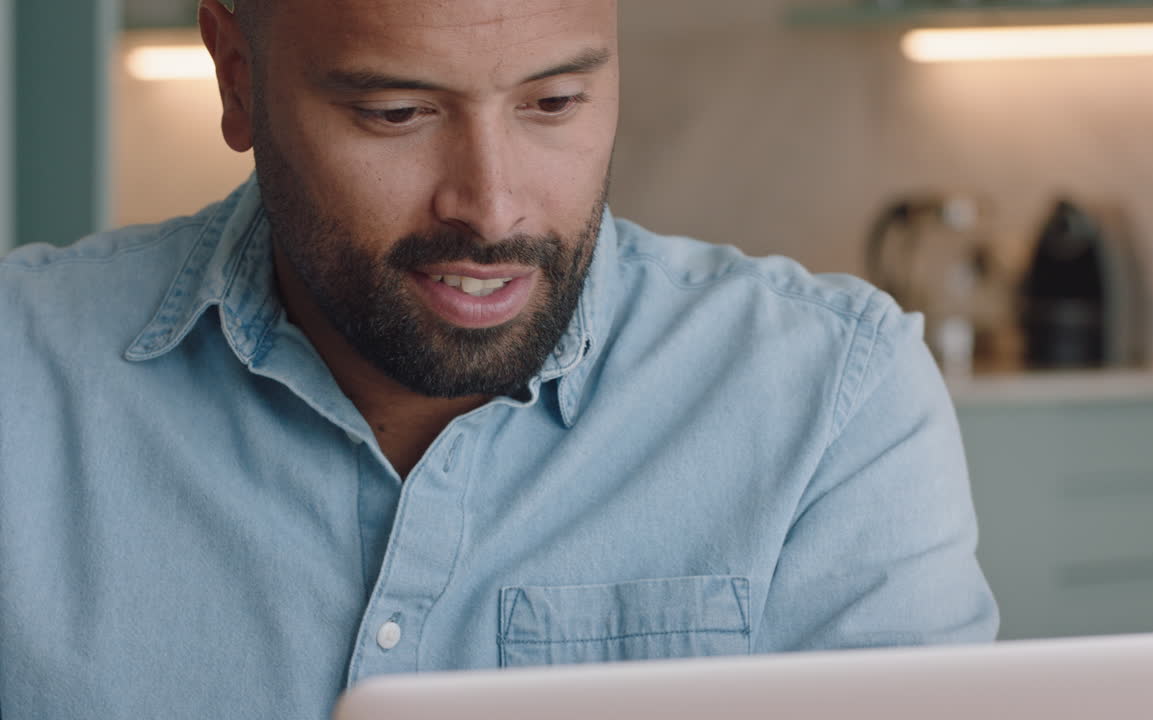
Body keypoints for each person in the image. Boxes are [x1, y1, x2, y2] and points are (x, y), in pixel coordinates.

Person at [0, 0, 998, 717]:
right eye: (396, 114)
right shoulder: (23, 379)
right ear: (236, 76)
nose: (490, 205)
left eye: (553, 103)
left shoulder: (829, 399)